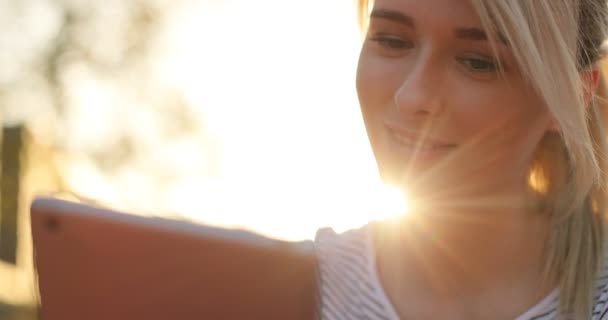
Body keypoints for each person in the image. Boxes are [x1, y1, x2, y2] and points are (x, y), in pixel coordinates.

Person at [313, 0, 608, 319]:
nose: (411, 98)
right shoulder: (296, 290)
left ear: (575, 97)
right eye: (392, 41)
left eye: (478, 62)